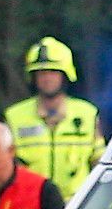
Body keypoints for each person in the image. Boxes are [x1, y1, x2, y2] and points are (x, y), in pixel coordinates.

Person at [6, 38, 104, 195]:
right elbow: (5, 168)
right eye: (41, 73)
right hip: (29, 205)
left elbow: (99, 163)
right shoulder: (15, 117)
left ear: (65, 75)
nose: (47, 78)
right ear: (33, 77)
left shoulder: (87, 114)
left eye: (53, 72)